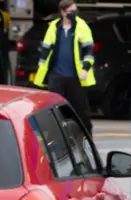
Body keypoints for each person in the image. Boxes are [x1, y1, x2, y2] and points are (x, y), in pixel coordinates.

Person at [33, 0, 95, 134]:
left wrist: (85, 68)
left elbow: (89, 51)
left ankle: (86, 139)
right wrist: (42, 66)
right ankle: (56, 140)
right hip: (56, 76)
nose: (74, 14)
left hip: (76, 77)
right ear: (62, 12)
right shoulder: (54, 27)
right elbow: (46, 48)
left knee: (81, 112)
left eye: (75, 11)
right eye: (71, 12)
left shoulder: (81, 26)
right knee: (53, 111)